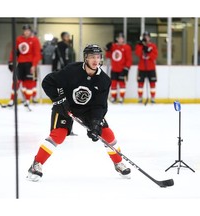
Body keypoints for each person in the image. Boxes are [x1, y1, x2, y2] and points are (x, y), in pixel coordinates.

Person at [27, 44, 131, 182]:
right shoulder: (72, 70)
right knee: (59, 135)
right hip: (65, 106)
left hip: (88, 110)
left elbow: (100, 106)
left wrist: (95, 123)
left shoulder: (104, 80)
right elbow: (48, 82)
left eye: (98, 57)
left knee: (107, 134)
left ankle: (118, 163)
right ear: (85, 58)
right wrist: (58, 100)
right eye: (92, 57)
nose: (95, 60)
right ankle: (36, 165)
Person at [8, 24, 41, 107]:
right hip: (20, 63)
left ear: (30, 31)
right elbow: (14, 51)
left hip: (30, 64)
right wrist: (11, 62)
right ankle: (12, 100)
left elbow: (37, 54)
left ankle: (27, 100)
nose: (26, 32)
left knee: (29, 82)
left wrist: (34, 65)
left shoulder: (35, 40)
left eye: (28, 30)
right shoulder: (19, 39)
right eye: (25, 30)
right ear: (23, 31)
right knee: (16, 82)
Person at [105, 33, 132, 103]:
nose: (120, 39)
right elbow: (108, 56)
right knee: (113, 84)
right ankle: (113, 97)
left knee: (122, 84)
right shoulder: (113, 46)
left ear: (123, 39)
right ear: (117, 39)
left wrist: (127, 68)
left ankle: (121, 98)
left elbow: (129, 59)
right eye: (118, 38)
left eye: (121, 38)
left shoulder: (127, 47)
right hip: (114, 69)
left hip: (122, 69)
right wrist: (107, 49)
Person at [135, 31, 158, 104]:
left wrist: (149, 51)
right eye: (145, 37)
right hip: (142, 68)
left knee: (152, 83)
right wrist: (142, 47)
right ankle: (140, 98)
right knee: (140, 84)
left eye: (147, 37)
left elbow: (155, 56)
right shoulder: (139, 46)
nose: (146, 38)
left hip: (151, 68)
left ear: (149, 38)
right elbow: (138, 54)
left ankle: (153, 98)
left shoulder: (153, 46)